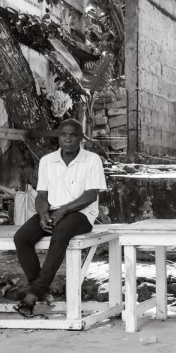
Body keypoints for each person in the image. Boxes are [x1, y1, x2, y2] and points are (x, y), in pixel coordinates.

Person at [13, 119, 107, 317]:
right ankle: (42, 289)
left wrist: (62, 211)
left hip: (81, 214)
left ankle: (32, 296)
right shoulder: (47, 161)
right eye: (64, 134)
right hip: (52, 211)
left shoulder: (92, 160)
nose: (67, 138)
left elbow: (91, 195)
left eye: (73, 135)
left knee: (61, 233)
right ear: (58, 137)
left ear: (81, 138)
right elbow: (41, 195)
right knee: (22, 237)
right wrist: (42, 214)